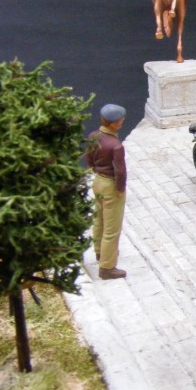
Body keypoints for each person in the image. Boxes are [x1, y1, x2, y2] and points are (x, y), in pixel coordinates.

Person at [85, 104, 128, 280]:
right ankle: (107, 267)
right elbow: (120, 171)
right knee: (112, 228)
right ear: (115, 123)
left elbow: (88, 158)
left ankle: (99, 252)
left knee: (99, 219)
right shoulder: (116, 145)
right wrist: (120, 188)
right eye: (121, 120)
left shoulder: (93, 136)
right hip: (110, 184)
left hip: (98, 180)